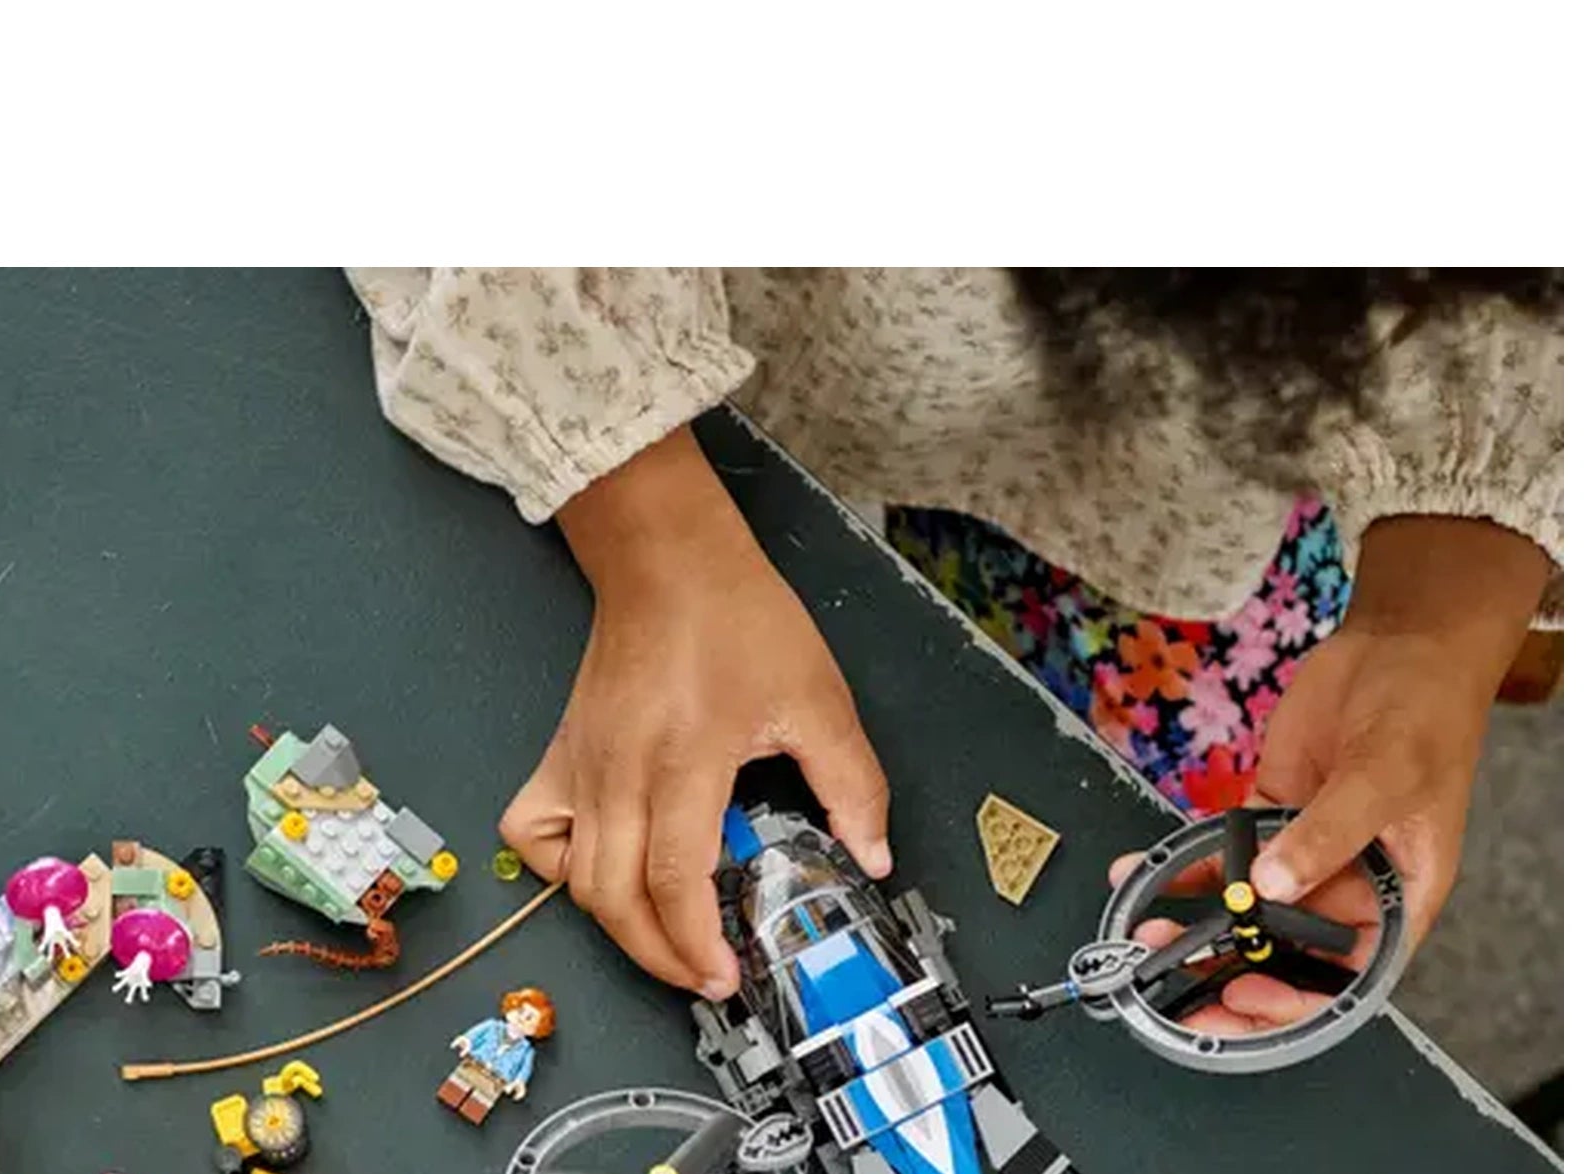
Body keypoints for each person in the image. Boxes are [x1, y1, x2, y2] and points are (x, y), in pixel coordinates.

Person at [347, 269, 1561, 1040]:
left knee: (1200, 819)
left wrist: (1438, 614)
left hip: (1187, 513)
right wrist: (649, 524)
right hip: (714, 362)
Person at [439, 984, 556, 1123]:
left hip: (496, 1080)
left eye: (529, 1018)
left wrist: (519, 1083)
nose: (522, 1019)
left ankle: (471, 1113)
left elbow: (524, 1070)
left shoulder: (526, 1051)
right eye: (520, 1011)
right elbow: (475, 1034)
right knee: (453, 1091)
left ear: (537, 1029)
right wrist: (466, 1040)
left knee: (477, 1106)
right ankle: (451, 1096)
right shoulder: (492, 1026)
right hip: (473, 1065)